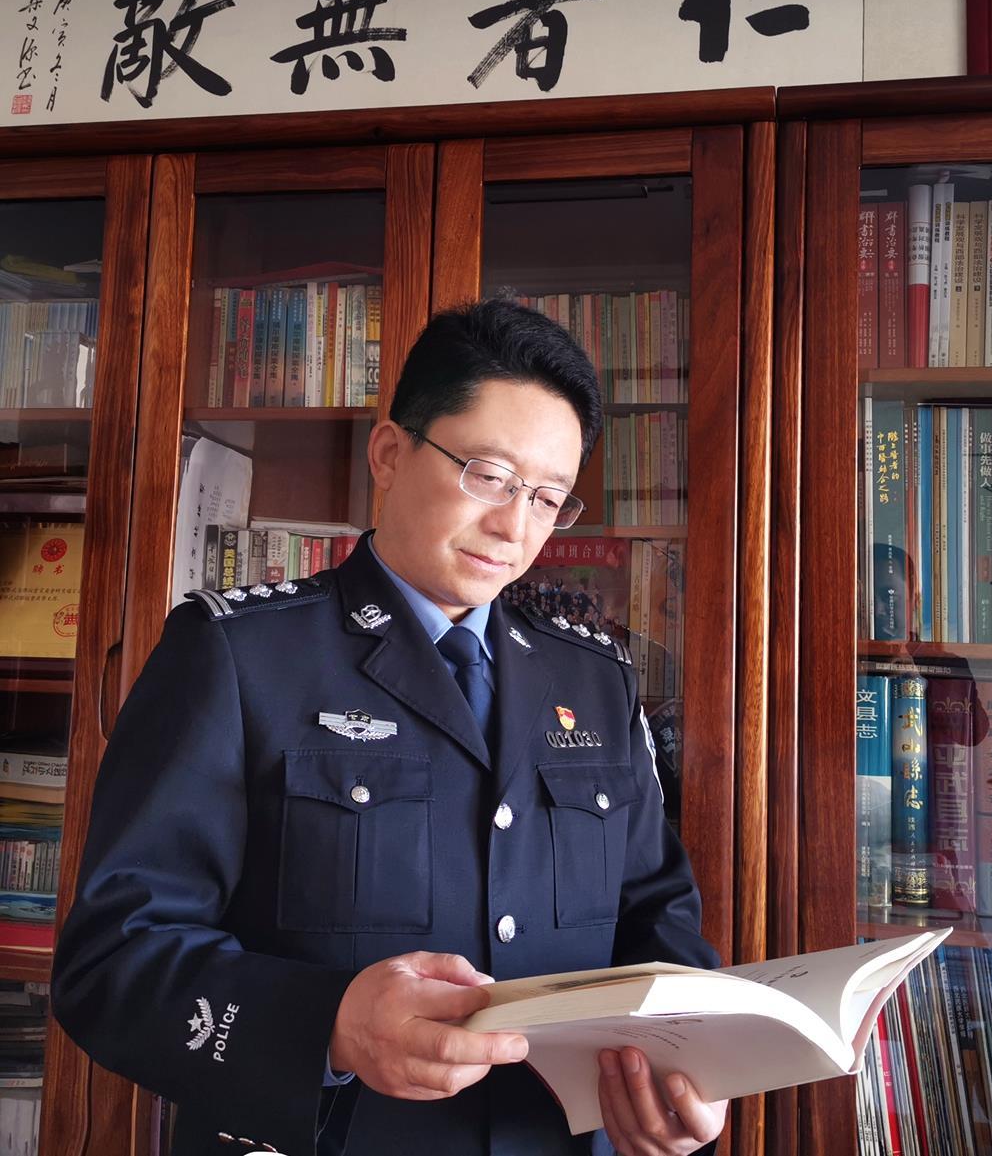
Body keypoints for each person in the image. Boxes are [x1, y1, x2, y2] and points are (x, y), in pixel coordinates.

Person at [52, 299, 727, 1156]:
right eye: (488, 474)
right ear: (389, 454)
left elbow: (656, 918)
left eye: (548, 497)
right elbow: (110, 960)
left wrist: (691, 1078)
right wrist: (329, 1025)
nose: (515, 525)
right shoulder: (238, 655)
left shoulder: (593, 677)